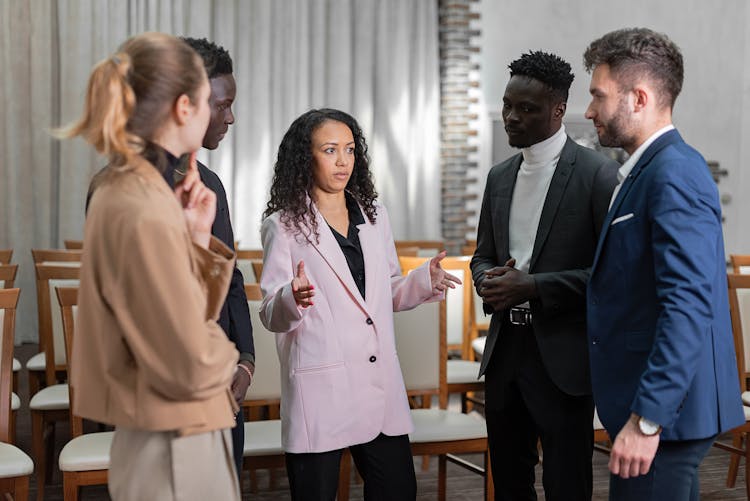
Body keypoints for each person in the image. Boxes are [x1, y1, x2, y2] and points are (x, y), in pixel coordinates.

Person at [62, 33, 240, 500]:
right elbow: (187, 360)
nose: (219, 115)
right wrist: (231, 357)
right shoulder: (141, 204)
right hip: (174, 443)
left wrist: (197, 245)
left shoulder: (128, 187)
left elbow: (171, 314)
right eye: (208, 102)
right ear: (185, 107)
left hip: (167, 427)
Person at [259, 108, 460, 501]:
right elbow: (269, 311)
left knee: (398, 490)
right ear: (305, 157)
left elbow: (386, 292)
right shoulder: (282, 225)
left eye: (350, 150)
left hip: (377, 386)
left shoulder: (374, 215)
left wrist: (423, 280)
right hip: (322, 387)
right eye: (330, 150)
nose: (342, 161)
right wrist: (291, 298)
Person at [583, 28, 744, 500]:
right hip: (654, 408)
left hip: (663, 415)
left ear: (638, 98)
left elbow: (689, 304)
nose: (590, 110)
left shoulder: (674, 171)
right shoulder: (649, 168)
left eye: (598, 96)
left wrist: (647, 419)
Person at [470, 51, 619, 500]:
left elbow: (609, 276)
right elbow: (481, 255)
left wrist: (533, 287)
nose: (511, 118)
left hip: (564, 355)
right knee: (510, 483)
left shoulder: (597, 175)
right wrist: (487, 279)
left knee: (566, 483)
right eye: (507, 106)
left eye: (527, 109)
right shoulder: (499, 177)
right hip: (505, 353)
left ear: (558, 111)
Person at [181, 36, 254, 478]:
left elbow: (230, 280)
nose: (231, 117)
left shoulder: (211, 182)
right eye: (222, 105)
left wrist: (244, 361)